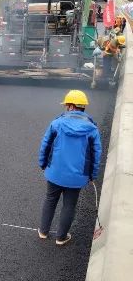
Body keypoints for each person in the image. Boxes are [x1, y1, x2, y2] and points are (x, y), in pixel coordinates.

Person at [37, 90, 101, 246]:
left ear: (71, 106)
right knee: (69, 205)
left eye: (67, 105)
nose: (65, 107)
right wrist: (92, 175)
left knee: (50, 199)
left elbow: (45, 144)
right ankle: (61, 237)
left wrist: (43, 163)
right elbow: (96, 154)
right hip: (77, 177)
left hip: (55, 172)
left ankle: (43, 232)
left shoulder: (56, 124)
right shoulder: (91, 129)